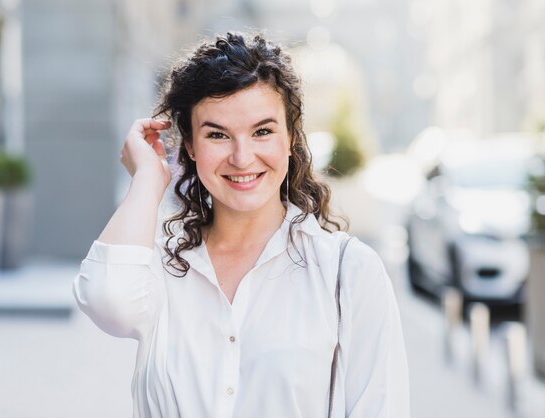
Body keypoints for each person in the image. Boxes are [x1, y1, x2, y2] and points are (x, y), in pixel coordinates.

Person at [73, 32, 410, 418]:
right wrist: (148, 179)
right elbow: (106, 301)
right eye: (217, 134)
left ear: (289, 138)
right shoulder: (163, 268)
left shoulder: (348, 272)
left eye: (262, 131)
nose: (241, 156)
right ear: (190, 146)